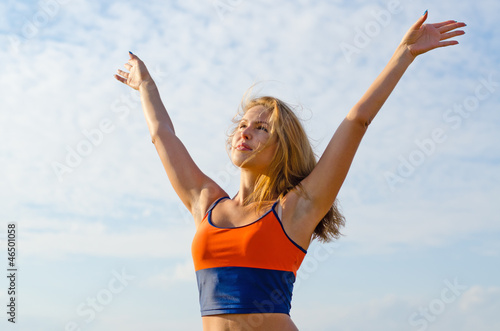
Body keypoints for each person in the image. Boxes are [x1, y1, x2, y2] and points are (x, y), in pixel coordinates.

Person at [114, 11, 465, 331]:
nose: (245, 131)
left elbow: (357, 120)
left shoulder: (297, 208)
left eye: (262, 128)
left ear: (284, 146)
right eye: (243, 124)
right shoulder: (205, 203)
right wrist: (146, 86)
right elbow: (162, 137)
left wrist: (404, 54)